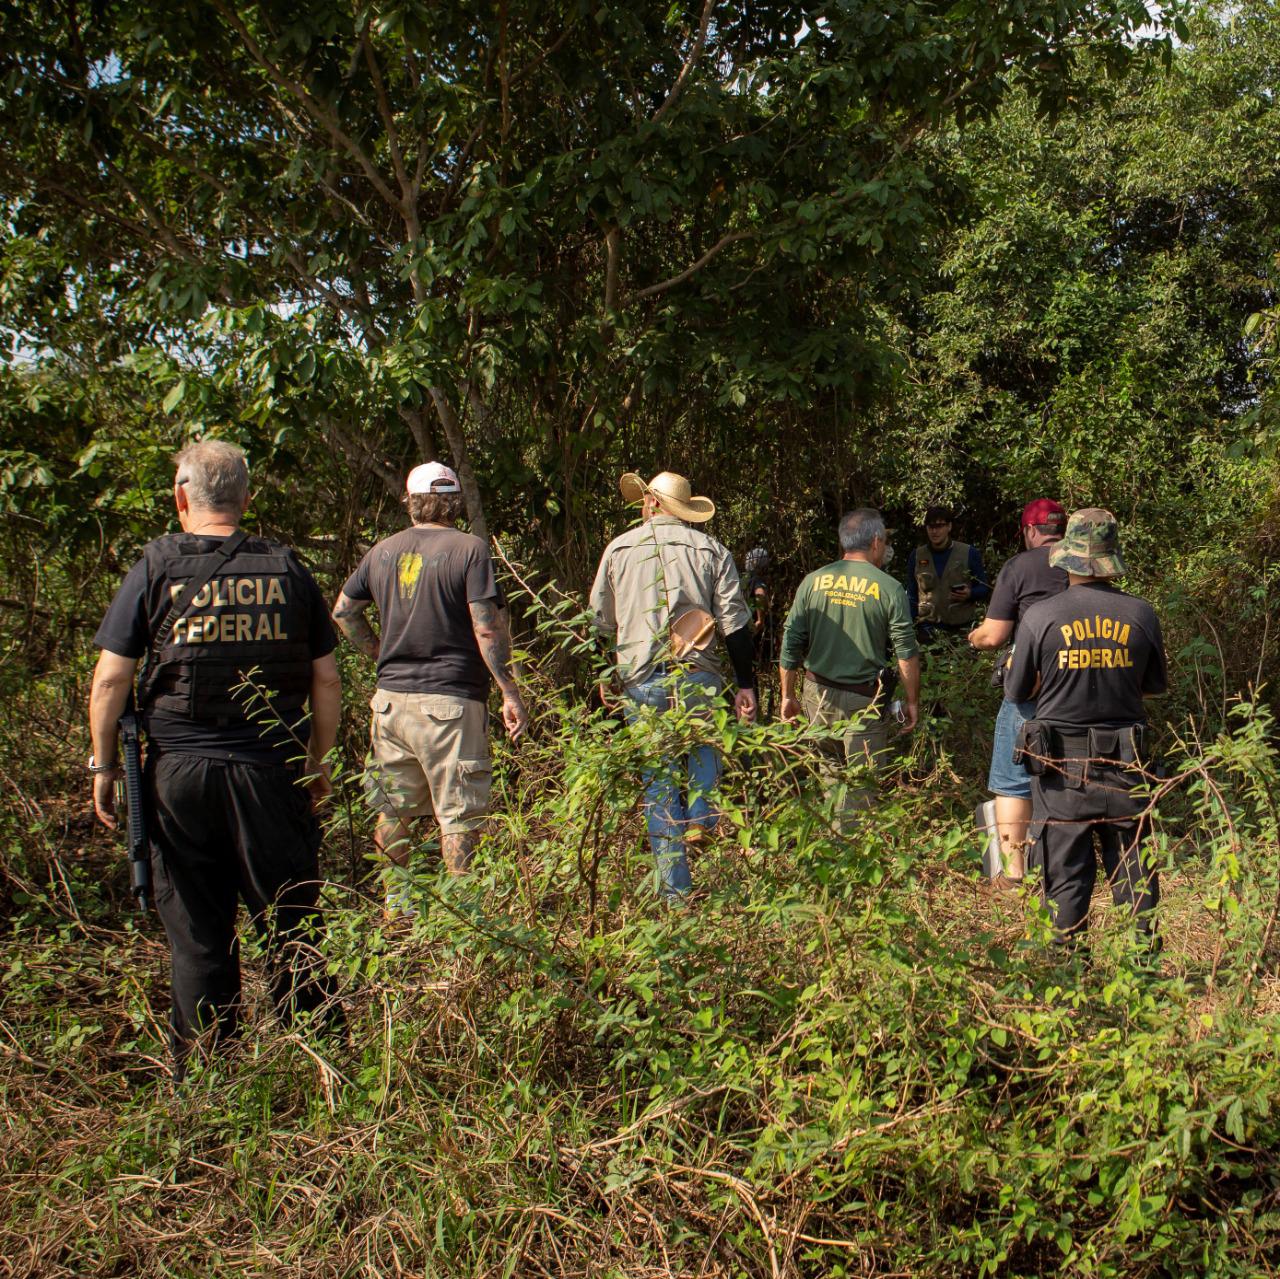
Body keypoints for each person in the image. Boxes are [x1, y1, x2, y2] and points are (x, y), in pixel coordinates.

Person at [88, 440, 342, 1071]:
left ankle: (206, 1082)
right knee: (291, 926)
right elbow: (328, 680)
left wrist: (103, 764)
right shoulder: (287, 568)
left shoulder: (155, 566)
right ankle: (315, 1071)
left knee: (199, 935)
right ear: (246, 499)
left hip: (178, 776)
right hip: (270, 772)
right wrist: (316, 761)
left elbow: (110, 679)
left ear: (182, 498)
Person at [332, 462, 527, 912]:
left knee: (393, 810)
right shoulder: (469, 549)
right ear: (454, 501)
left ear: (411, 501)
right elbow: (487, 628)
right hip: (451, 704)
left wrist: (380, 651)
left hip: (390, 706)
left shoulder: (381, 552)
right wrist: (509, 691)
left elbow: (343, 611)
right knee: (459, 815)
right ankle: (465, 920)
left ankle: (396, 909)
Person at [1004, 508, 1167, 948]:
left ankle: (1069, 987)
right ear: (1110, 558)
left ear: (1067, 557)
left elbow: (1018, 690)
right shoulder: (1141, 614)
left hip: (1061, 775)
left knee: (1065, 883)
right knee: (1136, 878)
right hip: (1127, 769)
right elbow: (1151, 688)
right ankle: (1143, 975)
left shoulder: (1040, 616)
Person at [590, 471, 757, 899]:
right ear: (681, 509)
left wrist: (606, 674)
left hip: (641, 679)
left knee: (659, 780)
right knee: (704, 750)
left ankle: (676, 895)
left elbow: (598, 624)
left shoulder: (618, 549)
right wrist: (746, 684)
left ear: (650, 504)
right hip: (699, 673)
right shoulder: (711, 549)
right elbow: (736, 625)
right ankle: (701, 816)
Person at [779, 508, 920, 824]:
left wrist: (787, 694)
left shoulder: (813, 581)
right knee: (861, 790)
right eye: (883, 542)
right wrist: (912, 701)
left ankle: (832, 848)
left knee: (831, 779)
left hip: (817, 696)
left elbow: (791, 642)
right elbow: (906, 652)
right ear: (874, 542)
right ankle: (851, 859)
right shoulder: (889, 587)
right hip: (863, 703)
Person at [968, 498, 1068, 884]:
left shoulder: (1019, 567)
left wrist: (974, 637)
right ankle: (1062, 866)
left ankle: (1012, 875)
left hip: (1030, 690)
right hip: (1078, 689)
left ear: (1029, 531)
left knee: (1012, 779)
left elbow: (994, 636)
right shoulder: (1084, 565)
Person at [908, 504, 990, 640]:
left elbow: (984, 588)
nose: (935, 531)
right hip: (927, 630)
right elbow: (911, 594)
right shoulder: (917, 556)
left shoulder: (968, 553)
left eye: (939, 526)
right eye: (931, 527)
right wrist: (908, 626)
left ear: (949, 527)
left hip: (961, 629)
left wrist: (970, 594)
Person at [743, 546, 777, 716]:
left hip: (745, 632)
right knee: (760, 673)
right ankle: (760, 711)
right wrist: (760, 620)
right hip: (757, 634)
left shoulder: (744, 579)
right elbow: (760, 595)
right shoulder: (757, 581)